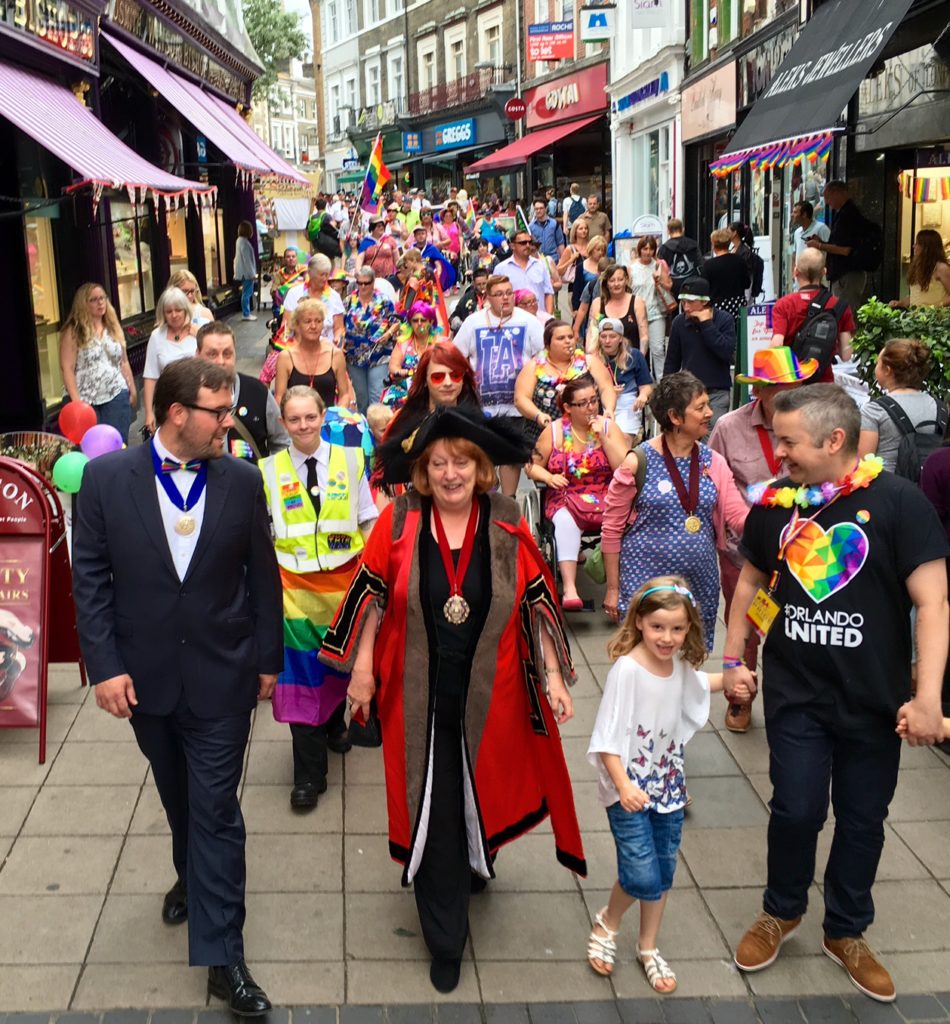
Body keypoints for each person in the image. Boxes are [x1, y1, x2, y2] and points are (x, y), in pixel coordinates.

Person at [320, 406, 586, 994]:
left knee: (481, 785)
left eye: (461, 462)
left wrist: (553, 676)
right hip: (418, 691)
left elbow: (535, 596)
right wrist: (361, 671)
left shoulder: (506, 520)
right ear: (422, 471)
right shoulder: (399, 519)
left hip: (492, 691)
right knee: (433, 804)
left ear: (480, 467)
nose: (449, 474)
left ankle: (475, 854)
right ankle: (445, 935)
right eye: (438, 463)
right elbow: (371, 594)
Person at [71, 358, 283, 1016]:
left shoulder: (242, 481)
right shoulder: (107, 481)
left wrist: (268, 659)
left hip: (224, 673)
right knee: (181, 796)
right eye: (219, 413)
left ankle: (224, 958)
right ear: (175, 413)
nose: (230, 423)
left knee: (216, 808)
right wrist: (105, 666)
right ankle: (192, 876)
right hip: (146, 679)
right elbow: (91, 579)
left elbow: (263, 575)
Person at [725, 384, 948, 1004]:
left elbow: (934, 603)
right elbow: (749, 587)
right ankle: (782, 910)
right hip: (796, 693)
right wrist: (734, 661)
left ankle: (846, 929)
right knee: (796, 809)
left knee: (862, 819)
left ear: (835, 441)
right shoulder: (778, 505)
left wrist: (928, 698)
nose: (778, 453)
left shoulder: (900, 504)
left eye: (789, 442)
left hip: (874, 702)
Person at [585, 577, 751, 986]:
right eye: (658, 626)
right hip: (628, 790)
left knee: (662, 869)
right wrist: (623, 786)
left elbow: (698, 684)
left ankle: (648, 946)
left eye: (677, 628)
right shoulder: (627, 671)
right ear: (640, 621)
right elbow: (606, 739)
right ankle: (608, 922)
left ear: (688, 627)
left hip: (669, 788)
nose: (667, 637)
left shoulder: (678, 666)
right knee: (641, 873)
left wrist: (731, 679)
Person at [260, 386, 377, 810]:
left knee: (338, 668)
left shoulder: (352, 460)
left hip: (345, 590)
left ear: (323, 416)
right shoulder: (267, 470)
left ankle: (333, 725)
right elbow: (263, 532)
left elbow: (367, 519)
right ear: (283, 423)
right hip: (294, 594)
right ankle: (308, 776)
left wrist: (376, 577)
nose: (303, 426)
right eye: (294, 419)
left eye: (310, 417)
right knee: (300, 681)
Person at [708, 347, 819, 733]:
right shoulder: (728, 427)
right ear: (758, 391)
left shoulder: (814, 424)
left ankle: (795, 701)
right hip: (745, 553)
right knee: (746, 625)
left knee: (795, 627)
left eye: (795, 385)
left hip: (804, 553)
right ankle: (740, 698)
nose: (792, 393)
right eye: (780, 387)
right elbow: (715, 482)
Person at [602, 371, 748, 649]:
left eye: (708, 405)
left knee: (689, 662)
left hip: (698, 585)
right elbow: (611, 528)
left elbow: (737, 516)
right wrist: (612, 588)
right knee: (645, 660)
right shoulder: (637, 462)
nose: (709, 413)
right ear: (675, 417)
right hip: (646, 585)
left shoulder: (713, 462)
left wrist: (773, 518)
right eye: (700, 407)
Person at [527, 374, 629, 608]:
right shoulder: (554, 431)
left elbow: (623, 467)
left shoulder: (608, 427)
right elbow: (531, 465)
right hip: (566, 494)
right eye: (583, 403)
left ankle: (619, 587)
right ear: (567, 408)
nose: (591, 407)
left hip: (605, 494)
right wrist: (549, 477)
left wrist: (604, 438)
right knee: (565, 521)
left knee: (626, 518)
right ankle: (570, 588)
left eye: (594, 400)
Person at [451, 274, 544, 496]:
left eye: (509, 293)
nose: (505, 298)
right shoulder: (473, 322)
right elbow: (455, 356)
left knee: (510, 456)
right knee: (484, 455)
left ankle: (509, 501)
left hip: (517, 405)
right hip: (482, 404)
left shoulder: (529, 322)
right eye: (499, 294)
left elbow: (543, 357)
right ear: (487, 298)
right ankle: (489, 497)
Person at [195, 321, 289, 460]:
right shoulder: (186, 396)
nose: (220, 361)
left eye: (227, 354)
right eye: (212, 354)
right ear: (197, 355)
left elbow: (281, 442)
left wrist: (271, 471)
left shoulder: (258, 393)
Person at [59, 282, 136, 441]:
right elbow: (67, 368)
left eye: (102, 298)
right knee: (91, 445)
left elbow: (123, 361)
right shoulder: (73, 331)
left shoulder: (113, 327)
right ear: (83, 304)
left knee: (117, 443)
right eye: (94, 300)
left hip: (115, 393)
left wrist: (132, 388)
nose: (100, 303)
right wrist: (77, 403)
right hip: (86, 398)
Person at [515, 318, 616, 434]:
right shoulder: (534, 366)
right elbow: (521, 398)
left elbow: (606, 388)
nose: (568, 341)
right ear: (547, 345)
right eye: (561, 338)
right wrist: (538, 415)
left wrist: (609, 408)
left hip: (589, 433)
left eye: (570, 337)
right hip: (545, 433)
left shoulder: (589, 362)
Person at [858, 338, 945, 471]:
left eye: (877, 363)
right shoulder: (940, 407)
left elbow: (863, 464)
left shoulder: (874, 410)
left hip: (887, 482)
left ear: (887, 370)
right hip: (930, 481)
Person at [770, 249, 855, 383]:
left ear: (795, 271)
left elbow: (777, 344)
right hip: (823, 385)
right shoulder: (839, 306)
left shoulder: (784, 304)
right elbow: (846, 355)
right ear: (824, 272)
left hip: (792, 384)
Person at [663, 277, 736, 425]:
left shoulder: (725, 319)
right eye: (683, 302)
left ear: (704, 301)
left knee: (712, 434)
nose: (686, 307)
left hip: (717, 392)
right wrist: (665, 392)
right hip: (689, 393)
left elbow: (726, 352)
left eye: (691, 302)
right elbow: (672, 362)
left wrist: (706, 324)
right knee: (690, 434)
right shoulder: (679, 322)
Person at [275, 298, 354, 410]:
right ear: (297, 325)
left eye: (318, 321)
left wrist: (336, 414)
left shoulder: (336, 355)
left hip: (328, 418)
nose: (313, 326)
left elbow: (344, 394)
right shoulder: (286, 357)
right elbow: (279, 397)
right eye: (307, 321)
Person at [805, 180, 868, 314]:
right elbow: (839, 244)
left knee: (845, 315)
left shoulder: (848, 214)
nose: (827, 203)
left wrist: (820, 245)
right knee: (840, 314)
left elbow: (845, 250)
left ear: (838, 193)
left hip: (847, 275)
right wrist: (821, 242)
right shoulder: (843, 213)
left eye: (828, 197)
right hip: (842, 275)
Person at [343, 266, 400, 412]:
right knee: (361, 398)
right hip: (354, 357)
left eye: (366, 283)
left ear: (373, 282)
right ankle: (364, 425)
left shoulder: (384, 300)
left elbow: (396, 322)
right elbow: (340, 325)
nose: (362, 286)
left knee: (376, 396)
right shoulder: (349, 301)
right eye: (359, 283)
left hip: (379, 355)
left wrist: (388, 334)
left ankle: (376, 424)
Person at [143, 287, 199, 435]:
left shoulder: (198, 332)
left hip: (196, 400)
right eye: (169, 311)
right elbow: (150, 376)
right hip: (167, 402)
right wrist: (149, 412)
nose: (174, 315)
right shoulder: (156, 336)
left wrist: (200, 335)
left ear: (185, 310)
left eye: (178, 310)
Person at [596, 318, 653, 441]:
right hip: (600, 405)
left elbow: (646, 385)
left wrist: (643, 395)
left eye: (612, 336)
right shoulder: (593, 359)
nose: (607, 341)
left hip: (628, 404)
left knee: (622, 440)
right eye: (603, 336)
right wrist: (608, 392)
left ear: (620, 338)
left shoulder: (634, 355)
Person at [629, 235, 674, 382]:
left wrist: (659, 280)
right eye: (645, 249)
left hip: (656, 312)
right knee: (640, 348)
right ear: (639, 250)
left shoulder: (658, 265)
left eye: (651, 249)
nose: (648, 252)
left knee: (658, 348)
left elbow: (669, 286)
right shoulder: (632, 268)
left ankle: (662, 380)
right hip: (637, 313)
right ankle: (641, 378)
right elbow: (628, 290)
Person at [382, 301, 438, 409]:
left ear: (431, 322)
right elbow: (393, 367)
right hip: (405, 391)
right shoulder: (403, 343)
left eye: (423, 320)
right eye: (415, 320)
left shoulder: (439, 343)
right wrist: (408, 372)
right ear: (410, 323)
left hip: (432, 391)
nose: (419, 324)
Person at [283, 254, 346, 349]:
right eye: (321, 275)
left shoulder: (334, 297)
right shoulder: (294, 293)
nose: (325, 278)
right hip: (299, 348)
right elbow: (286, 326)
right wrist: (287, 346)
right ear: (310, 273)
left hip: (327, 349)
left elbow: (339, 328)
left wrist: (338, 340)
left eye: (327, 274)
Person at [587, 263, 649, 354]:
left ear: (626, 280)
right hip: (604, 357)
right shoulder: (598, 304)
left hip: (632, 356)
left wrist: (640, 357)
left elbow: (644, 336)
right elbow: (592, 331)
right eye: (612, 280)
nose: (616, 284)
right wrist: (591, 356)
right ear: (606, 283)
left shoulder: (637, 302)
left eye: (620, 280)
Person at [495, 227, 555, 314]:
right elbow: (496, 297)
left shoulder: (540, 265)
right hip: (513, 318)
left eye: (529, 242)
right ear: (512, 246)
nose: (527, 245)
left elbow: (548, 293)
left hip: (539, 317)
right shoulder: (501, 269)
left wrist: (548, 316)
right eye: (523, 243)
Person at [889, 229, 950, 309]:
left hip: (935, 316)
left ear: (926, 247)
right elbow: (918, 296)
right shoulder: (918, 266)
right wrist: (900, 303)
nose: (914, 246)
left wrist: (934, 306)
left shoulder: (942, 268)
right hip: (916, 315)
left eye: (917, 243)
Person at [705, 229, 750, 323]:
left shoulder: (708, 265)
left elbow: (705, 289)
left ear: (713, 245)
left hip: (718, 308)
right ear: (729, 243)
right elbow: (747, 284)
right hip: (738, 306)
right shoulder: (740, 261)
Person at [571, 234, 609, 328]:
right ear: (592, 249)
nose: (600, 253)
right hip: (585, 304)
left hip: (602, 306)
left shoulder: (608, 265)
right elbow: (576, 289)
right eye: (598, 250)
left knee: (598, 325)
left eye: (603, 250)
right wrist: (575, 308)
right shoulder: (581, 267)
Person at [450, 266, 489, 331]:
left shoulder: (494, 296)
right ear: (474, 284)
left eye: (484, 283)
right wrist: (457, 322)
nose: (482, 286)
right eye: (479, 284)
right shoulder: (467, 297)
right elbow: (454, 315)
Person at [234, 221, 257, 322]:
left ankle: (246, 313)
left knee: (246, 292)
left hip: (242, 272)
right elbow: (247, 260)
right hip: (246, 273)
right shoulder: (244, 243)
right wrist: (252, 274)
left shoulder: (239, 241)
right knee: (247, 293)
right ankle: (246, 314)